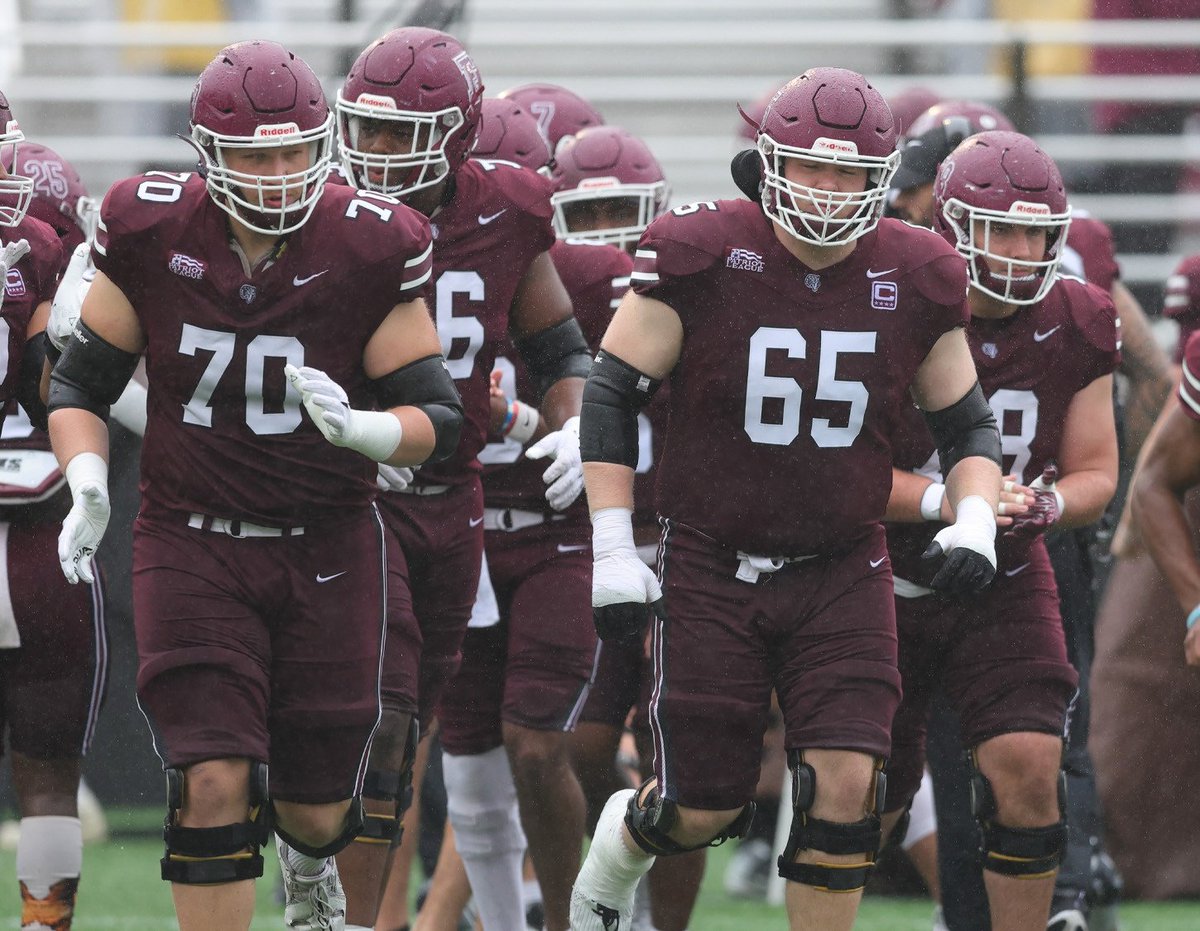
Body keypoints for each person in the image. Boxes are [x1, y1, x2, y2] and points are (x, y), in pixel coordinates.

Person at [570, 67, 1003, 931]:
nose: (830, 190)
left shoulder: (917, 271)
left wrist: (979, 517)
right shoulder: (699, 252)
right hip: (710, 561)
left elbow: (968, 428)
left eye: (849, 173)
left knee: (847, 784)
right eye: (811, 168)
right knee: (702, 807)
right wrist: (614, 544)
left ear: (884, 180)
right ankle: (622, 841)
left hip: (844, 562)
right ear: (767, 164)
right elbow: (611, 392)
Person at [46, 40, 463, 931]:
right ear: (206, 154)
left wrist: (366, 429)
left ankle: (308, 866)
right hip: (191, 540)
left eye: (292, 152)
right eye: (254, 155)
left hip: (328, 544)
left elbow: (438, 414)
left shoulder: (369, 242)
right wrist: (87, 478)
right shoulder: (152, 229)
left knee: (316, 808)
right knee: (211, 775)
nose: (278, 175)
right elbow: (80, 380)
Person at [335, 28, 591, 931]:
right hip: (354, 501)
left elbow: (560, 343)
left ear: (457, 136)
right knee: (381, 728)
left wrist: (577, 420)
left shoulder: (510, 208)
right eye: (361, 128)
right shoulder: (326, 207)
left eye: (397, 132)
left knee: (431, 735)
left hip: (456, 501)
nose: (372, 152)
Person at [881, 130, 1120, 931]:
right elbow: (833, 468)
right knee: (859, 795)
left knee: (1028, 766)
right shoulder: (896, 296)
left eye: (1038, 231)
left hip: (1009, 574)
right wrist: (951, 501)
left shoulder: (1080, 316)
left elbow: (1095, 469)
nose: (1022, 251)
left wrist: (1045, 506)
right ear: (949, 225)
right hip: (874, 572)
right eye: (1001, 229)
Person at [0, 91, 90, 931]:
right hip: (38, 518)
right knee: (48, 773)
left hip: (34, 522)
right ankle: (43, 924)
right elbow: (55, 382)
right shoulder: (35, 249)